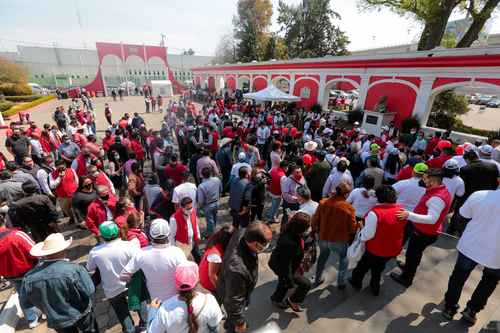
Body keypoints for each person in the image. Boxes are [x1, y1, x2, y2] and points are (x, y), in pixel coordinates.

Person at [442, 178, 500, 324]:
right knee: (488, 282)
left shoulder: (479, 195)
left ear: (498, 180)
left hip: (471, 245)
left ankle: (449, 307)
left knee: (458, 277)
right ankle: (472, 310)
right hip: (496, 255)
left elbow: (463, 215)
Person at [20, 233, 98, 333]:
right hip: (81, 313)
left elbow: (25, 303)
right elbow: (90, 291)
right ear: (63, 250)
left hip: (57, 320)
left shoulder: (29, 277)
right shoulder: (74, 269)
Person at [391, 169, 452, 287]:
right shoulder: (439, 190)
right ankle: (408, 266)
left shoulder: (437, 198)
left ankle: (406, 278)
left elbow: (432, 218)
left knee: (413, 254)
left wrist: (409, 215)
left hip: (424, 232)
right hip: (423, 230)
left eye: (424, 179)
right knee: (413, 253)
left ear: (433, 181)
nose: (422, 180)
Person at [86, 221, 146, 333]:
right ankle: (145, 326)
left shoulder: (95, 252)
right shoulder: (129, 246)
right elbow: (141, 261)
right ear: (118, 232)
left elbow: (89, 268)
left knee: (122, 312)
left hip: (112, 288)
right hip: (131, 283)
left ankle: (129, 330)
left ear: (102, 236)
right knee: (140, 300)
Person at [349, 185, 407, 296]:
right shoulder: (401, 210)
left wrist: (361, 228)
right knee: (378, 268)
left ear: (379, 198)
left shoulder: (375, 213)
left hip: (376, 249)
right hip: (392, 248)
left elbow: (367, 235)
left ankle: (356, 282)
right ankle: (375, 287)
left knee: (362, 267)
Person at [217, 223, 272, 333]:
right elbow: (234, 300)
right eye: (266, 243)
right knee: (235, 325)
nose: (267, 246)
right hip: (233, 295)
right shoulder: (237, 270)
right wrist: (240, 323)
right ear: (256, 244)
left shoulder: (244, 233)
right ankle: (232, 326)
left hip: (240, 289)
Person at [121, 218, 187, 301]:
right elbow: (186, 278)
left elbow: (123, 276)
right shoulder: (177, 252)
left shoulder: (141, 254)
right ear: (168, 234)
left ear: (150, 234)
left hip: (155, 301)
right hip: (176, 299)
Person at [147, 261, 223, 333]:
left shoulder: (165, 308)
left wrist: (152, 310)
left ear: (176, 282)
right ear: (197, 280)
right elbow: (214, 329)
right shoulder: (210, 301)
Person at [312, 181, 357, 289]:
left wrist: (315, 231)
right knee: (343, 258)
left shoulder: (323, 203)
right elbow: (352, 228)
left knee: (322, 257)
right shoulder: (348, 208)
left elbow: (315, 220)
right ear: (346, 194)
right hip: (339, 240)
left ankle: (317, 278)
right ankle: (341, 282)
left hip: (323, 237)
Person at [0, 214, 42, 328]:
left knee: (23, 295)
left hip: (10, 276)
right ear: (3, 220)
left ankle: (32, 319)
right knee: (41, 290)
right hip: (30, 270)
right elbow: (34, 250)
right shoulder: (17, 235)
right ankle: (47, 311)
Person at [269, 212, 312, 311]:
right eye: (307, 226)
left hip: (284, 264)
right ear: (300, 228)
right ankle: (292, 300)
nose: (308, 228)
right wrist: (290, 282)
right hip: (283, 267)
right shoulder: (289, 243)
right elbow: (285, 265)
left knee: (282, 284)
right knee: (306, 284)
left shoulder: (289, 230)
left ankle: (276, 299)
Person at [199, 225, 234, 293]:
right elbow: (212, 276)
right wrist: (222, 291)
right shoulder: (215, 255)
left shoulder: (216, 241)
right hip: (208, 284)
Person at [169, 197, 202, 263]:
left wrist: (198, 235)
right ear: (182, 208)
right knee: (189, 262)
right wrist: (173, 250)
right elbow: (171, 236)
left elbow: (195, 224)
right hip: (183, 245)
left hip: (193, 241)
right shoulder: (174, 219)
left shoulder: (193, 212)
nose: (190, 210)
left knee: (198, 258)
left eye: (191, 207)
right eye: (188, 208)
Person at [49, 159, 78, 224]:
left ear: (65, 165)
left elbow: (76, 181)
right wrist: (59, 177)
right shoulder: (51, 174)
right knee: (66, 210)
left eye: (63, 167)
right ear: (56, 167)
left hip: (73, 193)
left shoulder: (71, 170)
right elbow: (52, 186)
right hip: (63, 197)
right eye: (59, 168)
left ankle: (78, 221)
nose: (62, 169)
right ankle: (72, 218)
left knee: (76, 209)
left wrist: (76, 189)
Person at [197, 166, 222, 237]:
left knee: (210, 221)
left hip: (208, 206)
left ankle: (212, 235)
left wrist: (200, 207)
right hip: (216, 202)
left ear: (202, 175)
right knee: (214, 218)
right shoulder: (217, 180)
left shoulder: (201, 186)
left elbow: (200, 200)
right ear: (211, 173)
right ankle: (211, 230)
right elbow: (220, 189)